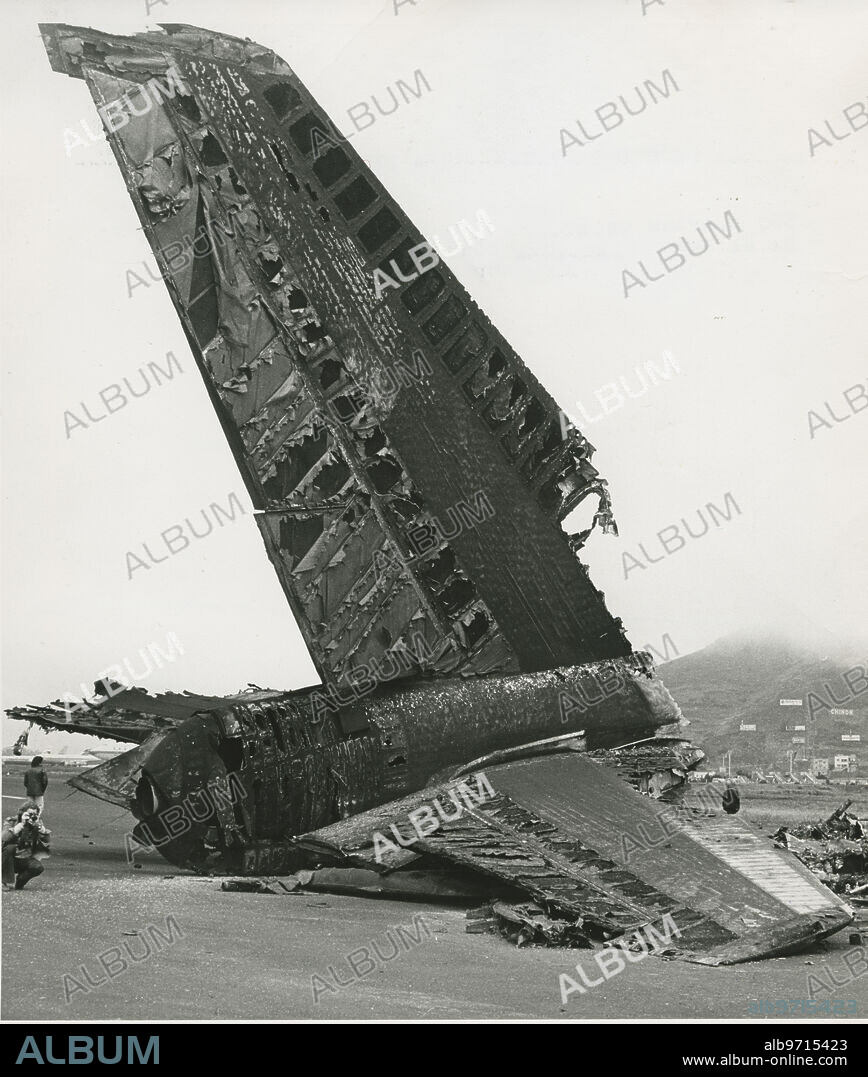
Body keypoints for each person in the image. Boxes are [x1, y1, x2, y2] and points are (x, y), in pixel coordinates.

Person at [2, 806, 51, 890]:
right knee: (10, 848)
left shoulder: (37, 823)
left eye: (35, 814)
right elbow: (4, 838)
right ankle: (4, 882)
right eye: (29, 814)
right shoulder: (12, 821)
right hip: (7, 858)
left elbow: (47, 840)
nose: (32, 816)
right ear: (21, 813)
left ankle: (20, 882)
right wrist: (21, 825)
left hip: (25, 858)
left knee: (38, 867)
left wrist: (41, 829)